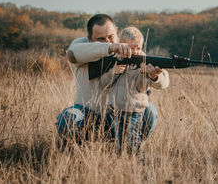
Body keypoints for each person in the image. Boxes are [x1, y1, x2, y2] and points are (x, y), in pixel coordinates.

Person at [56, 14, 159, 143]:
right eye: (101, 39)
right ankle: (81, 150)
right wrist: (110, 48)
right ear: (89, 39)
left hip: (120, 115)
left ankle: (129, 147)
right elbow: (72, 54)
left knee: (150, 111)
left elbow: (156, 76)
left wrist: (154, 75)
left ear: (116, 30)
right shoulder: (82, 45)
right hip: (90, 116)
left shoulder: (128, 49)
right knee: (67, 119)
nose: (108, 41)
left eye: (111, 37)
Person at [98, 26, 169, 153]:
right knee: (118, 144)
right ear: (121, 45)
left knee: (133, 142)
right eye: (130, 48)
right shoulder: (115, 58)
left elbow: (141, 88)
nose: (135, 51)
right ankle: (120, 163)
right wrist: (113, 72)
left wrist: (145, 74)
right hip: (116, 110)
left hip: (135, 109)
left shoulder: (144, 61)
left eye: (138, 48)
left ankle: (137, 164)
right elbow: (103, 84)